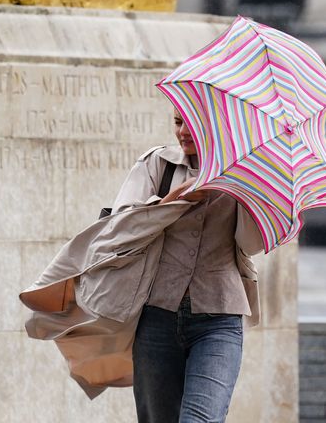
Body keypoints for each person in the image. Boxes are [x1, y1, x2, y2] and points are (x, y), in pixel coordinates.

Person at [111, 108, 264, 423]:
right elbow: (120, 229)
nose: (183, 131)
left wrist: (246, 191)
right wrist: (175, 200)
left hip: (219, 320)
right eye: (178, 122)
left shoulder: (245, 174)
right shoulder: (157, 164)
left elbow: (252, 244)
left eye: (192, 123)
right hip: (156, 319)